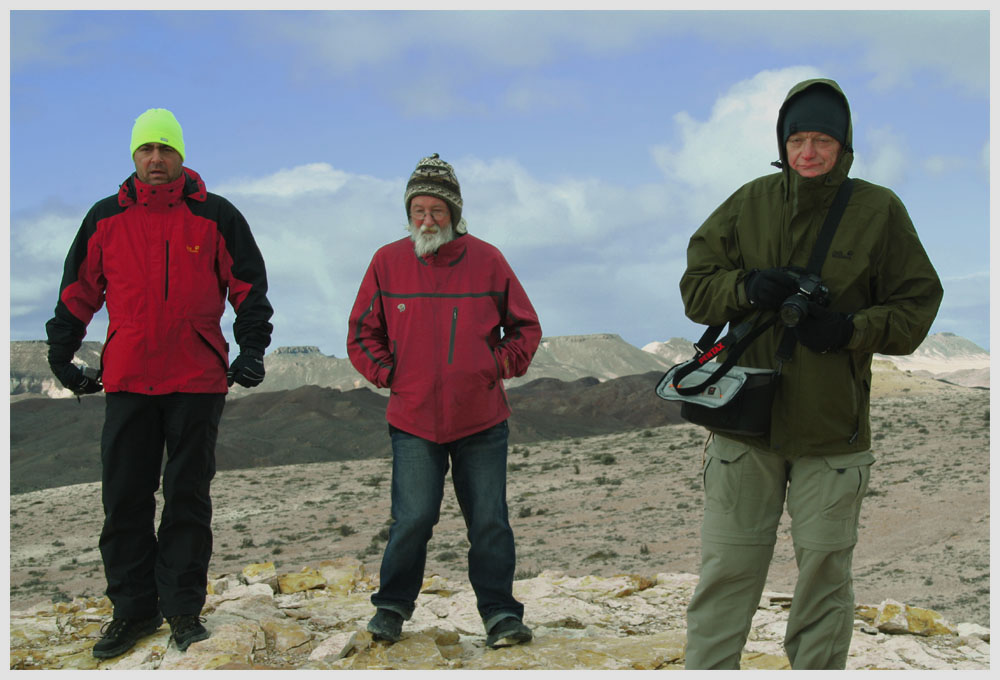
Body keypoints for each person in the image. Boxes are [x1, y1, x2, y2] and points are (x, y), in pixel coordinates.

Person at [678, 79, 942, 669]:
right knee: (728, 570)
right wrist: (745, 287)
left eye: (823, 139)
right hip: (745, 427)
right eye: (798, 138)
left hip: (832, 430)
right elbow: (696, 290)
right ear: (782, 142)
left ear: (844, 146)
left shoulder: (879, 210)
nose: (809, 152)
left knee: (825, 576)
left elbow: (916, 306)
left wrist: (850, 330)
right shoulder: (748, 202)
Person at [45, 108, 274, 659]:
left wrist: (252, 349)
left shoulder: (215, 216)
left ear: (181, 155)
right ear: (133, 157)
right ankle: (133, 612)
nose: (155, 159)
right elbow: (79, 290)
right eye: (145, 150)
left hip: (196, 380)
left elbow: (248, 287)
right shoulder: (105, 218)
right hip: (127, 379)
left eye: (164, 149)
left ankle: (182, 612)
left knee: (187, 499)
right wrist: (61, 353)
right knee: (124, 499)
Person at [347, 153, 542, 649]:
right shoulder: (386, 262)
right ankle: (391, 609)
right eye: (419, 211)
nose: (428, 220)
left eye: (437, 211)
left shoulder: (489, 259)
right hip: (413, 420)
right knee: (412, 518)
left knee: (490, 521)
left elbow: (525, 327)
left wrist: (492, 367)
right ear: (408, 214)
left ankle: (500, 615)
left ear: (454, 214)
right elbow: (361, 334)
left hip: (480, 418)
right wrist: (390, 375)